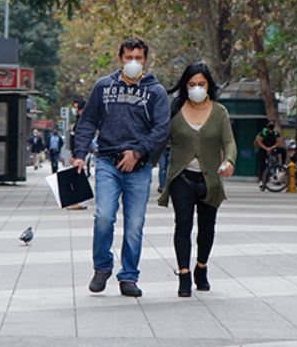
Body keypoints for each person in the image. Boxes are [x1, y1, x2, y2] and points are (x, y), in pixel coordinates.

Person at [71, 37, 170, 298]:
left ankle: (128, 276)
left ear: (145, 60)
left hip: (139, 167)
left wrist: (137, 153)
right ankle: (102, 266)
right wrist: (80, 154)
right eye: (129, 57)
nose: (134, 63)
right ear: (120, 59)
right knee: (103, 216)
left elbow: (162, 129)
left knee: (135, 224)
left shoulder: (156, 91)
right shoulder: (104, 86)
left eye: (139, 58)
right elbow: (87, 121)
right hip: (107, 161)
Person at [159, 62, 236, 297]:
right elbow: (159, 140)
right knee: (183, 224)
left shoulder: (219, 112)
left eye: (201, 84)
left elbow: (229, 142)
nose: (196, 89)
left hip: (210, 180)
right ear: (185, 86)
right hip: (181, 178)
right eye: (192, 85)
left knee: (207, 227)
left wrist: (230, 161)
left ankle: (201, 268)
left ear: (208, 86)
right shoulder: (174, 111)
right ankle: (183, 274)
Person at [254, 121, 280, 187]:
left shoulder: (276, 133)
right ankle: (260, 180)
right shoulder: (263, 132)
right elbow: (259, 142)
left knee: (275, 161)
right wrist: (266, 148)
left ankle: (273, 175)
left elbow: (277, 142)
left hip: (272, 149)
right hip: (263, 149)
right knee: (262, 165)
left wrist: (271, 148)